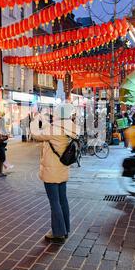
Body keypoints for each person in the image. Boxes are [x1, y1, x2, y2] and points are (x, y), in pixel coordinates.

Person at [30, 103, 79, 244]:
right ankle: (65, 228)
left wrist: (35, 121)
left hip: (51, 170)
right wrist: (44, 120)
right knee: (63, 199)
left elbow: (36, 135)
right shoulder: (71, 126)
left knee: (54, 202)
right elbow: (50, 130)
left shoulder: (55, 128)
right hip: (63, 168)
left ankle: (58, 232)